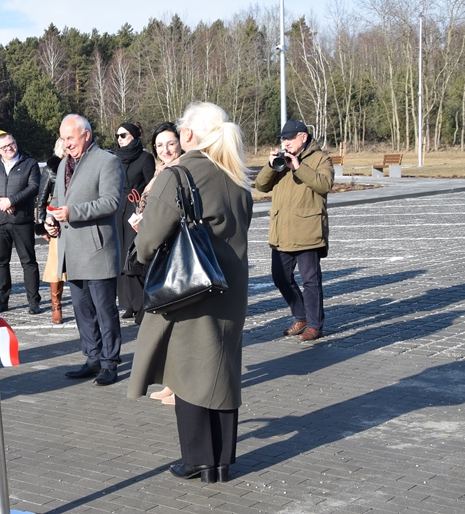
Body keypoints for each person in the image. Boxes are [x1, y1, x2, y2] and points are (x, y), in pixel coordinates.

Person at [128, 101, 253, 484]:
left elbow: (148, 241)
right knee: (222, 371)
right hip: (231, 288)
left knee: (190, 373)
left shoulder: (179, 175)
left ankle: (198, 459)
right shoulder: (235, 174)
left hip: (191, 288)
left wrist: (141, 245)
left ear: (187, 135)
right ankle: (220, 461)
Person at [44, 114, 125, 387]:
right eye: (63, 139)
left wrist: (72, 213)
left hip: (97, 250)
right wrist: (52, 221)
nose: (66, 144)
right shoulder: (65, 164)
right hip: (71, 251)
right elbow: (57, 200)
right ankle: (92, 358)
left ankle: (110, 363)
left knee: (104, 311)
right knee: (82, 311)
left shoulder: (107, 161)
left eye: (70, 138)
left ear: (86, 135)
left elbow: (111, 202)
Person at [254, 119, 334, 342]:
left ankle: (315, 324)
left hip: (307, 230)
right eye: (284, 139)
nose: (286, 143)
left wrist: (299, 167)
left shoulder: (320, 158)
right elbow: (260, 186)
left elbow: (325, 184)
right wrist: (271, 166)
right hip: (282, 231)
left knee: (311, 281)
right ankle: (301, 316)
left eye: (290, 138)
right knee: (280, 278)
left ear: (303, 137)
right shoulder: (281, 159)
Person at [136, 121, 183, 406]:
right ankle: (171, 381)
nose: (165, 149)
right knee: (166, 319)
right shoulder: (159, 171)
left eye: (170, 143)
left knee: (178, 321)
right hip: (158, 250)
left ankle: (182, 386)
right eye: (159, 145)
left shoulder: (179, 171)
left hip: (174, 250)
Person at [0, 133, 42, 314]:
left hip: (22, 220)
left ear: (16, 143)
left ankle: (33, 301)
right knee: (0, 262)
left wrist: (12, 201)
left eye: (11, 144)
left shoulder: (29, 163)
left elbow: (34, 187)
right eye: (4, 147)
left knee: (28, 261)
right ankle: (1, 300)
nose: (9, 148)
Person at [114, 122, 155, 322]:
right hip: (118, 212)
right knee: (121, 259)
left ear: (134, 136)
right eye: (117, 136)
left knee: (135, 258)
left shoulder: (145, 158)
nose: (119, 139)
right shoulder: (115, 158)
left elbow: (150, 185)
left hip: (136, 211)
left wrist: (143, 208)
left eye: (123, 135)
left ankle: (141, 306)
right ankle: (128, 303)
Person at [35, 138, 67, 324]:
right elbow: (42, 198)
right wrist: (42, 227)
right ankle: (56, 305)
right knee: (56, 267)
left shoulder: (81, 165)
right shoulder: (50, 169)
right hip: (55, 222)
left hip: (78, 219)